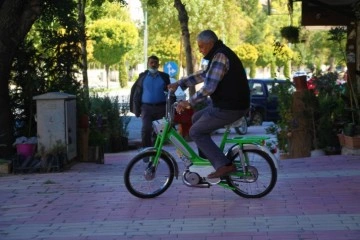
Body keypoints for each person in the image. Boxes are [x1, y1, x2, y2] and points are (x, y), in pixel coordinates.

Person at [168, 30, 250, 179]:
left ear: (210, 43)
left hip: (231, 107)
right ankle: (207, 162)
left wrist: (188, 102)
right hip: (226, 105)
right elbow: (204, 74)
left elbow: (209, 87)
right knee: (196, 118)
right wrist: (180, 83)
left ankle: (224, 165)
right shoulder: (217, 55)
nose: (200, 50)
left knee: (195, 132)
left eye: (201, 47)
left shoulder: (220, 56)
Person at [130, 55, 171, 148]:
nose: (153, 64)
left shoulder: (164, 77)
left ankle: (156, 152)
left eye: (155, 63)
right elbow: (136, 93)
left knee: (160, 131)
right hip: (146, 108)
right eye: (151, 62)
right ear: (148, 64)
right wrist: (136, 108)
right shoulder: (142, 77)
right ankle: (147, 151)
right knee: (146, 129)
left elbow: (170, 92)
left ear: (158, 64)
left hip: (161, 108)